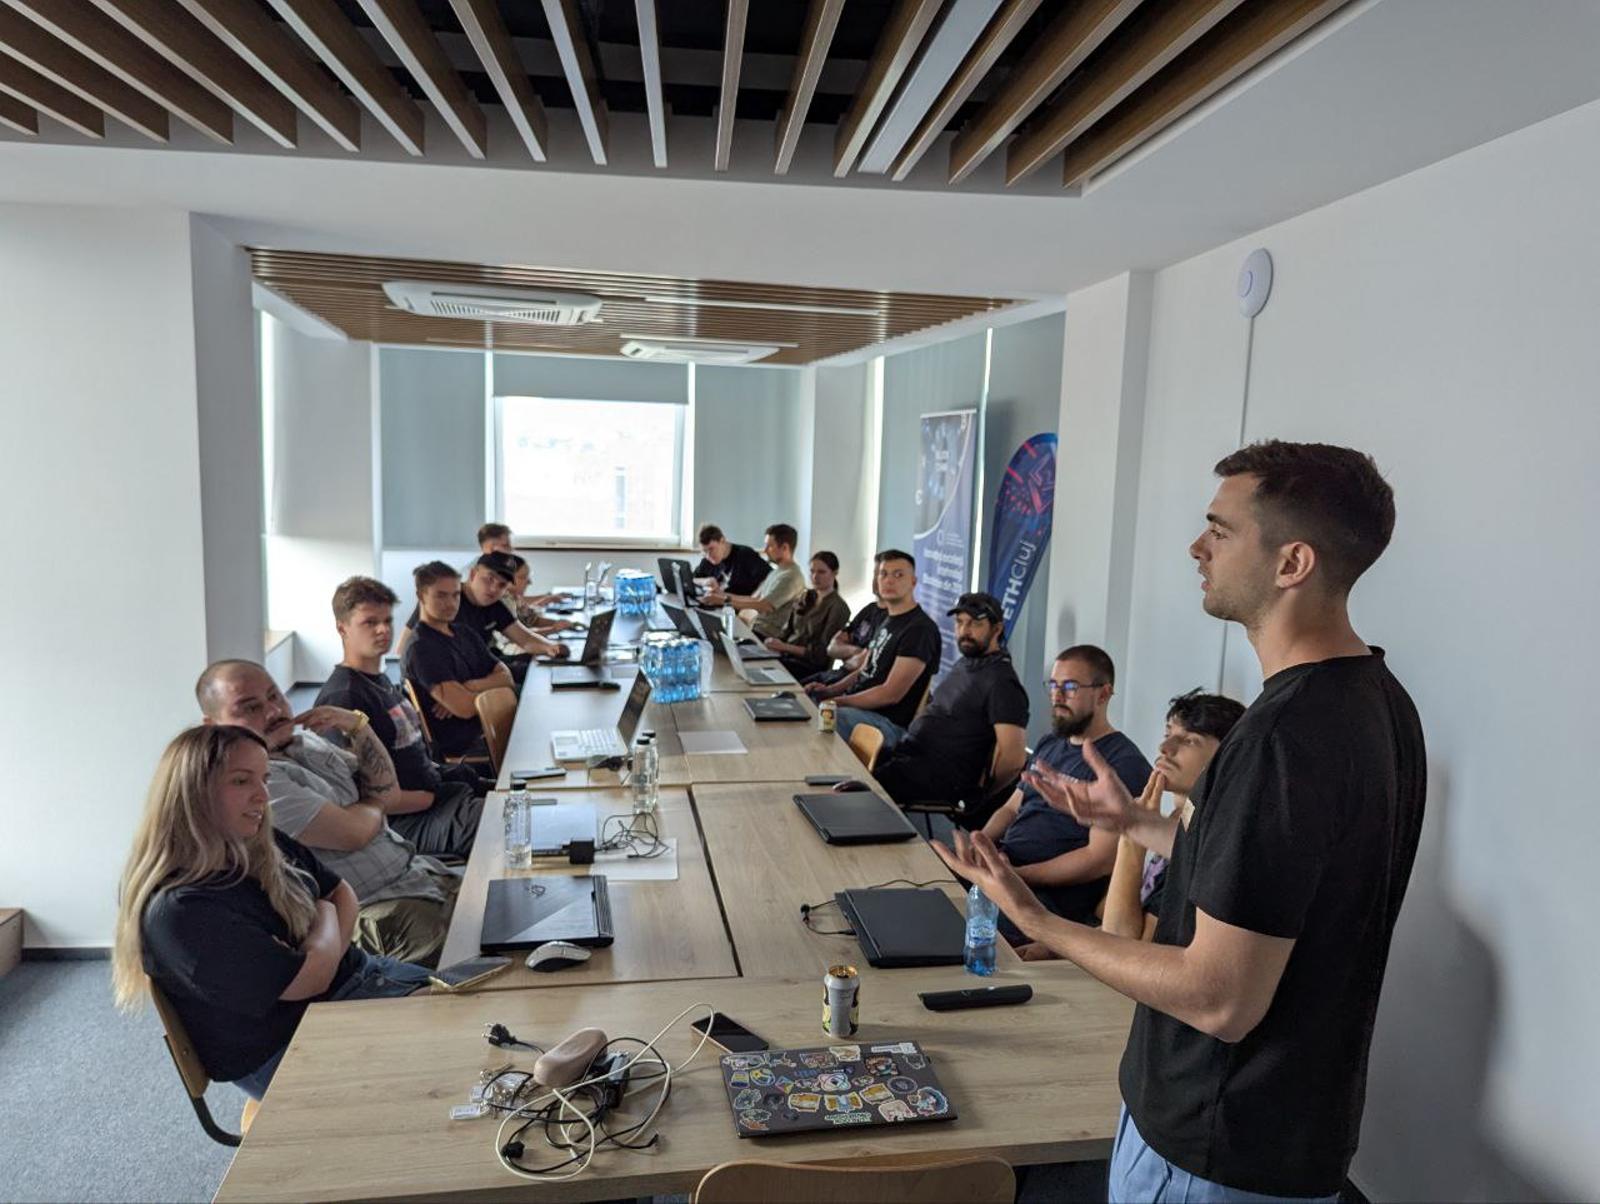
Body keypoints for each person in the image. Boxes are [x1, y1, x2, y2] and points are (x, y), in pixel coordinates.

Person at [936, 440, 1424, 1203]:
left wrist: (1036, 919)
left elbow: (1220, 998)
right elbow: (1283, 879)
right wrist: (1143, 826)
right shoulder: (1379, 701)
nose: (1198, 547)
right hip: (1280, 1136)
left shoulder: (1281, 737)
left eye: (1220, 531)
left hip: (1210, 1150)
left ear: (1292, 563)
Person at [112, 725, 432, 1099]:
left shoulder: (255, 839)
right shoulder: (180, 912)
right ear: (192, 792)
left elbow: (342, 894)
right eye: (241, 781)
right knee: (464, 1055)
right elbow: (310, 979)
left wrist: (322, 946)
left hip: (359, 982)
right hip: (294, 1048)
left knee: (482, 1014)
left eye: (263, 779)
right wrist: (325, 918)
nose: (262, 795)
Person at [195, 661, 457, 968]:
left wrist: (359, 726)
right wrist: (373, 804)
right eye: (251, 707)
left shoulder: (308, 742)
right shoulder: (256, 785)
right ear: (212, 725)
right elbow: (354, 833)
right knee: (486, 963)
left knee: (501, 912)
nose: (274, 711)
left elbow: (389, 793)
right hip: (378, 911)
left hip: (419, 875)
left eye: (274, 696)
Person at [978, 645, 1152, 933]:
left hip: (1049, 898)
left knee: (963, 928)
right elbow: (1011, 808)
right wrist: (980, 844)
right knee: (928, 880)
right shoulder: (1050, 743)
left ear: (1103, 694)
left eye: (1070, 687)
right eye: (1053, 685)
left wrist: (1019, 875)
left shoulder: (1124, 763)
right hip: (1008, 865)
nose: (1057, 696)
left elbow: (1098, 860)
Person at [315, 576, 486, 859]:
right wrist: (427, 797)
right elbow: (351, 796)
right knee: (508, 824)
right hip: (402, 823)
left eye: (387, 620)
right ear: (342, 628)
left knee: (523, 802)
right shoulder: (343, 698)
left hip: (439, 795)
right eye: (370, 622)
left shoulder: (379, 681)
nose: (383, 629)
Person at [1092, 690, 1247, 945]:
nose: (1164, 748)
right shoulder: (1176, 820)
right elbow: (1111, 916)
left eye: (1190, 741)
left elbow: (1125, 939)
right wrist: (1054, 946)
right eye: (1168, 735)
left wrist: (1133, 837)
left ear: (1227, 758)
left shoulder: (1208, 837)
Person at [872, 592, 1029, 813]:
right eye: (960, 622)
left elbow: (1014, 759)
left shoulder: (1002, 682)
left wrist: (983, 797)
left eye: (975, 624)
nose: (964, 631)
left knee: (860, 786)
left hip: (940, 778)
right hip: (911, 756)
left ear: (997, 629)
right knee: (851, 763)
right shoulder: (967, 663)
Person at [805, 550, 940, 748]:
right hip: (856, 709)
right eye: (883, 574)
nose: (889, 580)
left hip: (886, 723)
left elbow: (890, 694)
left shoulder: (919, 630)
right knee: (803, 701)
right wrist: (829, 690)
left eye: (898, 575)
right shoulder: (887, 620)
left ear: (913, 582)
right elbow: (864, 670)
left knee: (817, 721)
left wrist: (840, 701)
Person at [393, 552, 568, 679]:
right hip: (455, 676)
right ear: (473, 574)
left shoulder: (495, 606)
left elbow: (525, 639)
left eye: (501, 585)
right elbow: (403, 649)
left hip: (484, 666)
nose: (493, 589)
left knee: (538, 667)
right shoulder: (445, 603)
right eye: (489, 579)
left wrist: (550, 647)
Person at [401, 561, 512, 760]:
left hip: (487, 727)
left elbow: (506, 677)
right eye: (441, 595)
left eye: (456, 595)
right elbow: (465, 708)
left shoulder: (464, 632)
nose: (451, 603)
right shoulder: (421, 648)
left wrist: (468, 686)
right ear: (421, 596)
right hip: (465, 746)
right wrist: (492, 690)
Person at [700, 523, 806, 639]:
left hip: (766, 635)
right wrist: (720, 596)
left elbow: (765, 605)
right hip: (754, 628)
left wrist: (723, 600)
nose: (765, 550)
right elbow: (754, 599)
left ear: (785, 548)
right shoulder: (777, 572)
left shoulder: (791, 576)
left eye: (769, 546)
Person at [762, 551, 852, 679]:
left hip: (807, 666)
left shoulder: (838, 608)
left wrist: (785, 647)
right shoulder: (806, 596)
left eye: (821, 572)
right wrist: (774, 643)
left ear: (835, 573)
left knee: (764, 669)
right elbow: (787, 630)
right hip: (785, 655)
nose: (815, 577)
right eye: (812, 571)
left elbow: (820, 655)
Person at [692, 523, 771, 596]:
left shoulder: (745, 554)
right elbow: (691, 579)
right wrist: (704, 581)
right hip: (719, 604)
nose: (708, 555)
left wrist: (754, 599)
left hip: (741, 604)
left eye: (711, 549)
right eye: (705, 551)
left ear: (722, 541)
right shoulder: (707, 560)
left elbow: (769, 577)